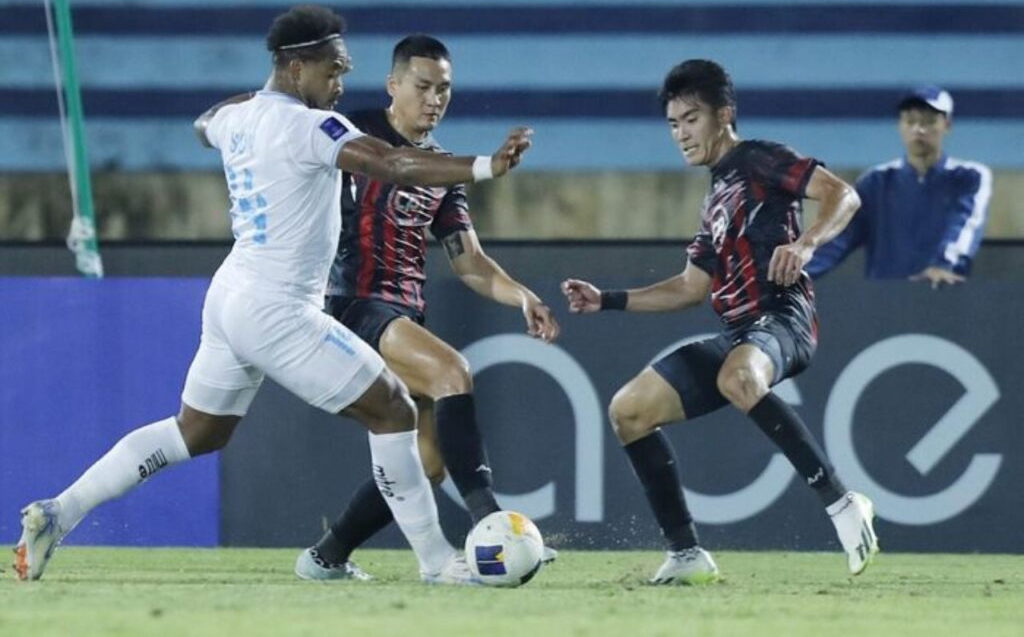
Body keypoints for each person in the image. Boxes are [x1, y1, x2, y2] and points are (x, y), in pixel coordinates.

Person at [14, 5, 533, 584]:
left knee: (197, 431)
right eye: (333, 70)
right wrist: (486, 165)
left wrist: (254, 101)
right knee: (394, 410)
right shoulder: (312, 128)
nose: (339, 85)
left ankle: (60, 512)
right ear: (296, 67)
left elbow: (202, 123)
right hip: (278, 308)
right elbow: (393, 163)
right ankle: (438, 562)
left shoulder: (239, 120)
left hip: (231, 296)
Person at [561, 59, 878, 585]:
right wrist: (606, 300)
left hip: (783, 318)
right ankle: (686, 554)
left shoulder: (760, 160)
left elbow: (845, 194)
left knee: (738, 377)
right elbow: (689, 287)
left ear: (724, 115)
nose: (682, 133)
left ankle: (844, 504)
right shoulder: (716, 196)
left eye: (692, 118)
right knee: (629, 411)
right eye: (673, 124)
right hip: (739, 334)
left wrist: (805, 244)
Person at [293, 34, 560, 581]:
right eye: (422, 86)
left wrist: (522, 296)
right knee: (452, 371)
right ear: (393, 86)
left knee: (428, 463)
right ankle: (493, 526)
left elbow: (470, 262)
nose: (434, 99)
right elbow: (341, 161)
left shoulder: (442, 169)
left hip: (403, 315)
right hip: (350, 303)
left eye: (444, 89)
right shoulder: (354, 132)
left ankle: (326, 556)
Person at [807, 86, 992, 286]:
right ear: (900, 125)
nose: (918, 129)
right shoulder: (875, 182)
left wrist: (944, 265)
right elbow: (838, 238)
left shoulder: (969, 176)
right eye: (910, 121)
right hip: (886, 304)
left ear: (947, 125)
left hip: (944, 298)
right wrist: (796, 274)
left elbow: (965, 224)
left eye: (929, 121)